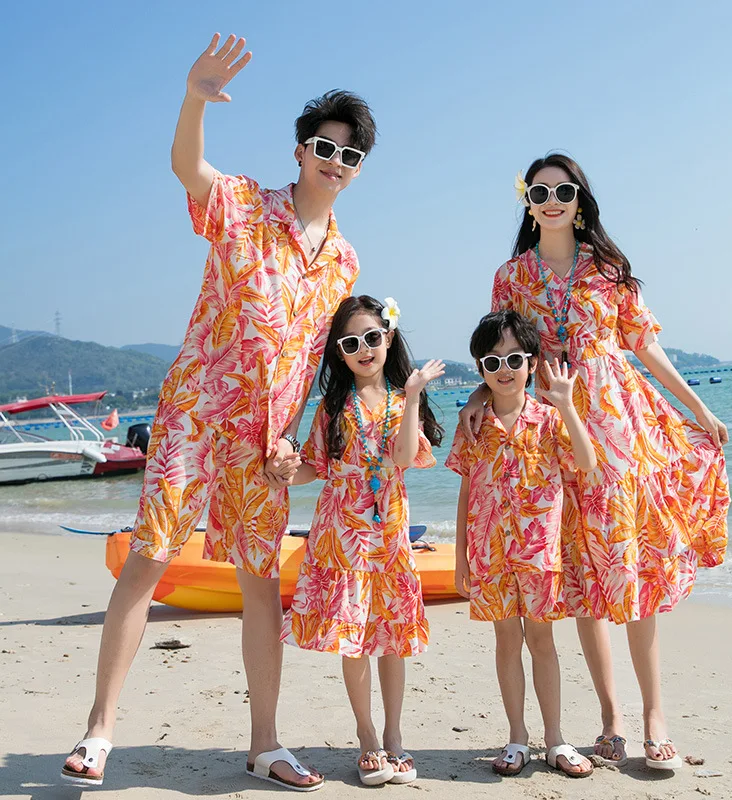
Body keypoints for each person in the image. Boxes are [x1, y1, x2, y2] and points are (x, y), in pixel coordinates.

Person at [62, 33, 376, 791]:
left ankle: (266, 742)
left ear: (358, 170)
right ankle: (99, 731)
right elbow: (186, 168)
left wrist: (305, 442)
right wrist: (194, 98)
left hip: (266, 443)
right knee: (149, 558)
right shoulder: (243, 206)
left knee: (261, 582)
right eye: (322, 148)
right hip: (197, 417)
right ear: (299, 152)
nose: (333, 163)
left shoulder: (345, 262)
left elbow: (323, 363)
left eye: (349, 156)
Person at [459, 153, 729, 771]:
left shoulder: (608, 270)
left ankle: (656, 717)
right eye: (540, 191)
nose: (552, 199)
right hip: (553, 434)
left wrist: (699, 408)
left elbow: (646, 346)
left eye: (564, 189)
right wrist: (479, 392)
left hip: (617, 425)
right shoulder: (511, 276)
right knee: (582, 572)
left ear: (580, 199)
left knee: (633, 571)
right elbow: (501, 347)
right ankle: (611, 721)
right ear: (526, 201)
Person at [280, 295, 444, 786]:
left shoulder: (401, 398)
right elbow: (317, 465)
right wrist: (288, 471)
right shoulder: (334, 404)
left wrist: (413, 395)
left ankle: (395, 737)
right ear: (340, 352)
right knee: (354, 638)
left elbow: (402, 457)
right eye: (351, 343)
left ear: (388, 338)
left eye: (373, 337)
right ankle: (368, 738)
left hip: (390, 529)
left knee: (392, 635)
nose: (364, 349)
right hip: (341, 531)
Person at [447, 310, 597, 778]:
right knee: (505, 641)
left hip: (540, 553)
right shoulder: (473, 425)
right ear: (480, 370)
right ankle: (517, 737)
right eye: (492, 362)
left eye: (514, 358)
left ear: (531, 363)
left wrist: (567, 404)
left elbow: (587, 463)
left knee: (543, 642)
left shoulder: (549, 421)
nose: (504, 369)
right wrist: (460, 559)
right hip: (489, 553)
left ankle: (555, 738)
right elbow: (467, 491)